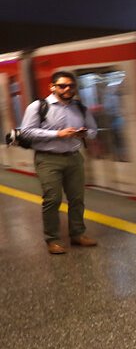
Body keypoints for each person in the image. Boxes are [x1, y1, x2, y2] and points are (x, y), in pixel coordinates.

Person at [20, 71, 98, 254]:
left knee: (77, 199)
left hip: (74, 157)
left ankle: (78, 234)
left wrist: (84, 133)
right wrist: (57, 134)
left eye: (71, 86)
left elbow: (94, 130)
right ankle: (53, 239)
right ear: (52, 87)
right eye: (62, 86)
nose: (67, 89)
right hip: (48, 159)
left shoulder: (80, 108)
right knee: (52, 199)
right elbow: (26, 132)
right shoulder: (38, 107)